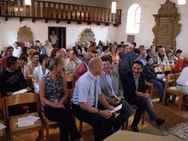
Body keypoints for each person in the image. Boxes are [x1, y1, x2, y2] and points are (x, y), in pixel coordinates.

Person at [39, 58, 83, 141]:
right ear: (56, 66)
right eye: (61, 65)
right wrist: (54, 104)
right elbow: (42, 98)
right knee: (68, 116)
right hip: (49, 107)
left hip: (61, 104)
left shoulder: (62, 76)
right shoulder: (43, 79)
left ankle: (68, 139)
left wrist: (60, 102)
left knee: (65, 118)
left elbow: (66, 93)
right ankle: (76, 137)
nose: (62, 67)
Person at [72, 57, 114, 141]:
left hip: (92, 104)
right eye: (101, 65)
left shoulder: (96, 76)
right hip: (79, 108)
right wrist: (100, 112)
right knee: (98, 120)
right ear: (95, 69)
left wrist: (108, 106)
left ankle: (107, 137)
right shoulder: (84, 81)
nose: (103, 67)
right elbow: (83, 105)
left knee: (110, 115)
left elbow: (99, 94)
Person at [120, 60, 166, 132]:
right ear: (131, 67)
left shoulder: (142, 76)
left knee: (142, 104)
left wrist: (145, 94)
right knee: (143, 101)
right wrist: (143, 94)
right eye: (134, 68)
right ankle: (154, 119)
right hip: (127, 97)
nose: (135, 70)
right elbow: (129, 91)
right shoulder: (126, 76)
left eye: (138, 69)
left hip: (138, 98)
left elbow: (143, 88)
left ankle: (135, 124)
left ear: (141, 69)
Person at [99, 55, 133, 131]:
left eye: (108, 64)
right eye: (104, 65)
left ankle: (115, 125)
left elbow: (120, 87)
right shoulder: (98, 76)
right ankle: (109, 130)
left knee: (129, 110)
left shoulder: (115, 73)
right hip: (105, 100)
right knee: (110, 116)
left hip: (117, 98)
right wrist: (109, 100)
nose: (106, 66)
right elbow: (99, 93)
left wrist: (120, 96)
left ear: (111, 64)